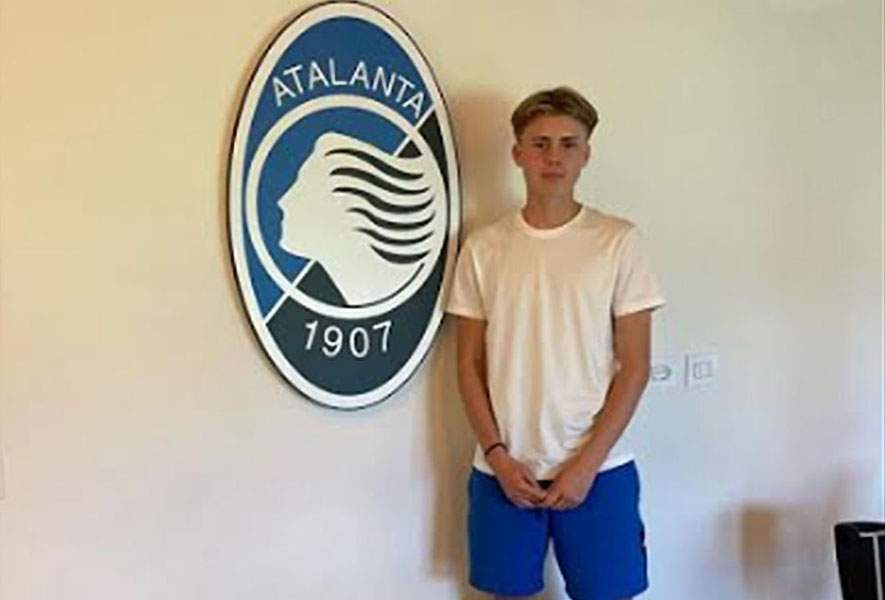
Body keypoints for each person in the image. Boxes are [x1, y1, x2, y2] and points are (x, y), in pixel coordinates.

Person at [446, 87, 665, 600]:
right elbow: (468, 364)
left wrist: (586, 464)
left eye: (569, 144)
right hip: (504, 469)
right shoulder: (484, 248)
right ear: (518, 153)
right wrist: (499, 456)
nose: (554, 157)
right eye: (540, 144)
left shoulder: (618, 242)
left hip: (598, 468)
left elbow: (635, 367)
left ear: (586, 154)